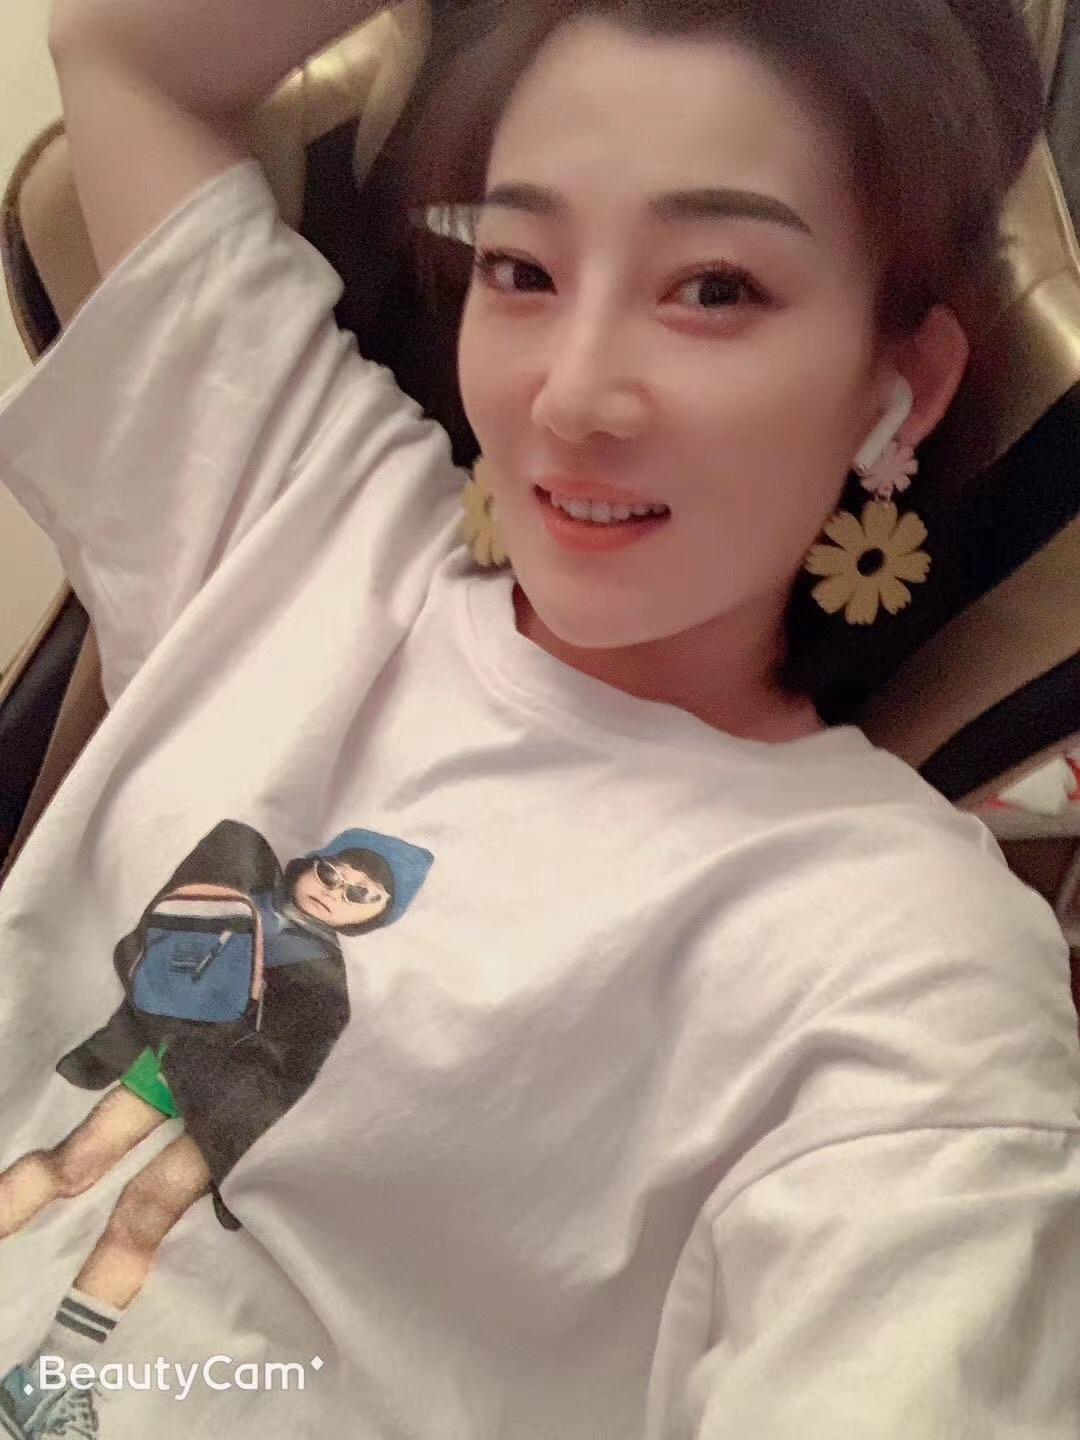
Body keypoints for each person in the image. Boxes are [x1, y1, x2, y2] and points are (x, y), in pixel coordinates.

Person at [0, 0, 1076, 1436]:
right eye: (520, 267)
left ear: (903, 382)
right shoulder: (305, 510)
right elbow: (123, 53)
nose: (569, 399)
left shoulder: (902, 962)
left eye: (713, 289)